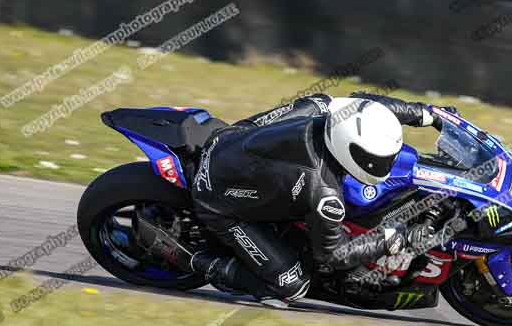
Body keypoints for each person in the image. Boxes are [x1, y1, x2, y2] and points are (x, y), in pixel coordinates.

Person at [180, 92, 450, 305]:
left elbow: (369, 106)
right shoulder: (323, 193)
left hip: (228, 139)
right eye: (379, 160)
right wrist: (395, 238)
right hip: (216, 201)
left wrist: (428, 115)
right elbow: (334, 254)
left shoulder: (324, 107)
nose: (387, 164)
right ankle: (191, 260)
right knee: (291, 284)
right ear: (351, 151)